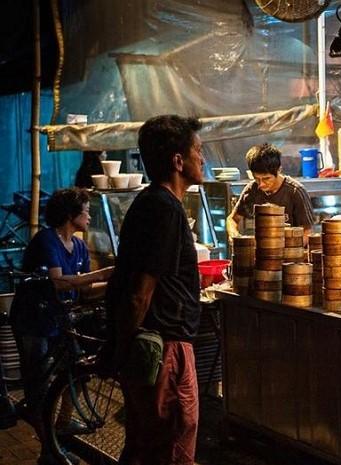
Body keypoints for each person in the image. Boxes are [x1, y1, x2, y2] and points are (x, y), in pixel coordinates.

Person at [106, 114, 204, 465]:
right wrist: (123, 349)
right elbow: (139, 292)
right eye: (198, 151)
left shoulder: (150, 203)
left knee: (145, 444)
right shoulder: (164, 209)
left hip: (159, 345)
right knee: (172, 440)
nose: (203, 159)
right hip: (167, 349)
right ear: (179, 161)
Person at [10, 187, 113, 465]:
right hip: (34, 320)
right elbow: (58, 281)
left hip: (60, 319)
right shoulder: (46, 241)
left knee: (80, 372)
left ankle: (62, 424)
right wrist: (104, 273)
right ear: (71, 215)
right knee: (39, 386)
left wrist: (119, 283)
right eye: (86, 211)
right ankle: (48, 450)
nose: (90, 217)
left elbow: (84, 286)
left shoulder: (78, 245)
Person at [226, 143, 314, 239]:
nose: (261, 184)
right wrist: (234, 235)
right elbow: (232, 219)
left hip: (290, 250)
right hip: (262, 250)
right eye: (257, 178)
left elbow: (307, 231)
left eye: (266, 178)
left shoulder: (295, 191)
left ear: (279, 170)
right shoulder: (252, 189)